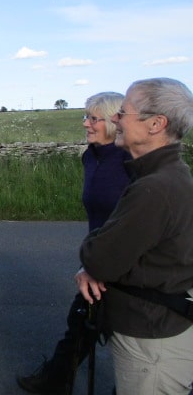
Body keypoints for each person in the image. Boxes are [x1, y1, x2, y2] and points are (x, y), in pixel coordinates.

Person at [78, 78, 193, 395]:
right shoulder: (166, 176)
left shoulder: (154, 188)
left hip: (151, 340)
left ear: (156, 123)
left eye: (123, 112)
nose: (115, 119)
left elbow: (99, 258)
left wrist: (91, 256)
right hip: (157, 328)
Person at [16, 92, 131, 394]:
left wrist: (105, 260)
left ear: (114, 122)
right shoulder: (91, 157)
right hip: (97, 257)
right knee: (80, 322)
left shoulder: (130, 161)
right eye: (86, 117)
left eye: (93, 119)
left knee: (127, 337)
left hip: (125, 261)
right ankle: (56, 380)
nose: (85, 124)